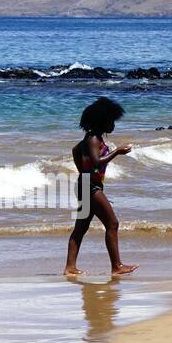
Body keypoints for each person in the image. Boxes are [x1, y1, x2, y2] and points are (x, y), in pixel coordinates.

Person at [65, 97, 137, 276]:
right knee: (112, 223)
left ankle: (70, 267)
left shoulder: (90, 139)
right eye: (111, 120)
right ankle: (116, 266)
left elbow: (75, 150)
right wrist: (117, 152)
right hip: (90, 187)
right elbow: (97, 162)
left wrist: (82, 171)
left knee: (81, 228)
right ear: (102, 121)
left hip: (87, 184)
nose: (113, 124)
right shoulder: (94, 139)